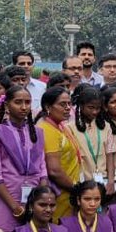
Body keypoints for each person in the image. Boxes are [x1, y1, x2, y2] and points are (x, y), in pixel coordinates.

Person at [0, 84, 45, 232]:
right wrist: (15, 207)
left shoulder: (37, 132)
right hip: (6, 199)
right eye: (18, 102)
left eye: (27, 102)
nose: (24, 107)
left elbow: (43, 170)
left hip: (34, 199)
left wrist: (41, 199)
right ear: (7, 105)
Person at [38, 86, 81, 221]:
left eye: (69, 103)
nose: (68, 107)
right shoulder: (46, 129)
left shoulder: (60, 126)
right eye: (62, 104)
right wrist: (76, 189)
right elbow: (54, 170)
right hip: (60, 192)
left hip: (68, 192)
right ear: (48, 107)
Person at [72, 84, 116, 186]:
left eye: (98, 108)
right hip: (82, 181)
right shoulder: (70, 128)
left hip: (103, 180)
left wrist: (111, 181)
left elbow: (109, 156)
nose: (95, 111)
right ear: (81, 106)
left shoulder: (106, 126)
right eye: (90, 107)